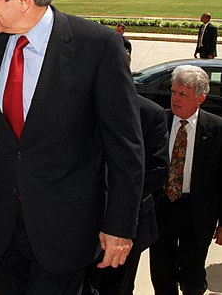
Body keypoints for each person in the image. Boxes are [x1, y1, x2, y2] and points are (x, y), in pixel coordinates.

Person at [0, 0, 144, 294]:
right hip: (3, 230)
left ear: (22, 0)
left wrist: (119, 226)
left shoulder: (97, 47)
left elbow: (125, 149)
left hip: (66, 232)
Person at [149, 65, 222, 295]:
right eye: (174, 92)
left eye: (183, 94)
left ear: (200, 98)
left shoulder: (218, 130)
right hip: (162, 211)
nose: (175, 99)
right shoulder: (158, 121)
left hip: (197, 214)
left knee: (193, 278)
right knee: (161, 276)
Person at [86, 95, 170, 294]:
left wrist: (116, 201)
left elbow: (157, 170)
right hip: (84, 221)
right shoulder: (84, 104)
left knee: (117, 287)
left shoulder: (150, 112)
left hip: (131, 223)